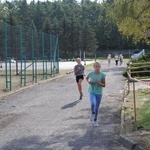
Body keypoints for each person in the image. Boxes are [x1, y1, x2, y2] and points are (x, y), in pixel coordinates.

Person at [86, 61, 106, 127]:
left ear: (100, 67)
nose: (97, 68)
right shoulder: (91, 73)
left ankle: (95, 120)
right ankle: (92, 112)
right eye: (96, 66)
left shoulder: (102, 75)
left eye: (98, 66)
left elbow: (104, 85)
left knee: (97, 108)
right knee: (93, 104)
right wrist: (89, 82)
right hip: (92, 91)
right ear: (94, 67)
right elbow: (87, 78)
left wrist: (98, 83)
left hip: (99, 93)